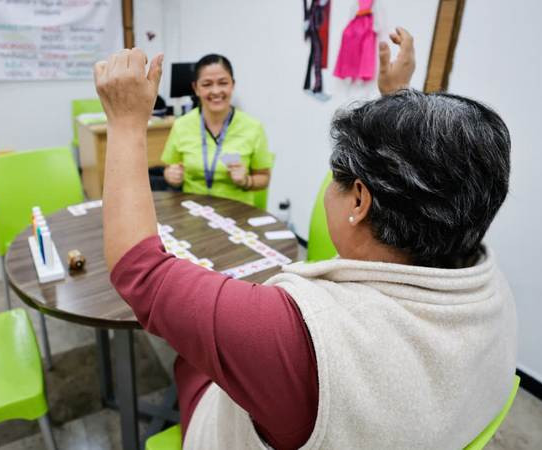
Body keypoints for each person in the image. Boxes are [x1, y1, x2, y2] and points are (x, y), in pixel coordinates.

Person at [94, 27, 516, 450]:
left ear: (359, 200)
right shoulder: (493, 291)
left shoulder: (289, 333)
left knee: (190, 362)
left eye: (335, 176)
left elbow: (141, 271)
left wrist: (126, 124)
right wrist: (395, 96)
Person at [162, 54, 274, 206]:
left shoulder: (253, 127)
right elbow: (169, 168)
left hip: (237, 211)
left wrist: (246, 180)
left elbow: (264, 178)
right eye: (207, 84)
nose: (215, 91)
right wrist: (171, 176)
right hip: (192, 209)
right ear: (196, 88)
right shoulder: (181, 125)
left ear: (232, 85)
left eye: (223, 83)